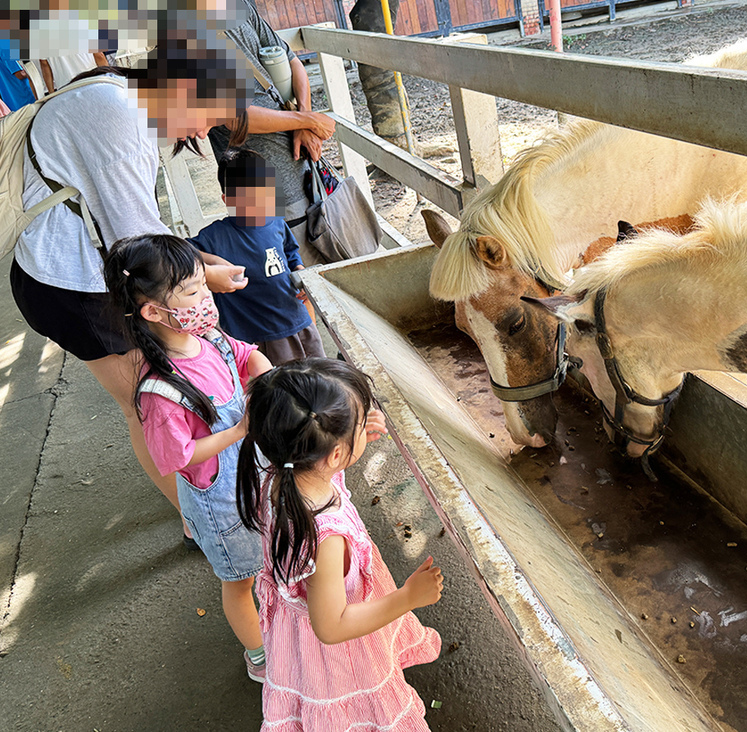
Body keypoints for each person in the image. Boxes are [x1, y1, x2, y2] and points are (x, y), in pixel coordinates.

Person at [10, 38, 251, 548]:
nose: (204, 133)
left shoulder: (122, 99)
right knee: (146, 401)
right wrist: (207, 275)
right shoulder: (122, 117)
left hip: (82, 270)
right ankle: (202, 524)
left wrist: (205, 264)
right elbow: (133, 237)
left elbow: (141, 231)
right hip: (72, 282)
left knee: (159, 393)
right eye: (208, 119)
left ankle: (201, 502)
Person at [237, 358, 443, 729]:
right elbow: (331, 626)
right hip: (339, 656)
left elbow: (323, 467)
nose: (366, 428)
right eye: (361, 425)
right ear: (333, 454)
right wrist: (408, 598)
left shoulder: (280, 475)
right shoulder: (326, 539)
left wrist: (353, 438)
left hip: (296, 639)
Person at [103, 234, 272, 682]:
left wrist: (267, 375)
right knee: (239, 582)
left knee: (267, 556)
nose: (207, 298)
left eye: (204, 286)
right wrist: (238, 430)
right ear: (152, 312)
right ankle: (259, 657)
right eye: (195, 291)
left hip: (249, 476)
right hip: (220, 504)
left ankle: (278, 617)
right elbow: (177, 455)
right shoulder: (160, 390)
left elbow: (243, 354)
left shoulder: (207, 337)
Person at [209, 0, 337, 267]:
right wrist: (307, 119)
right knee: (294, 283)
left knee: (321, 270)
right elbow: (234, 116)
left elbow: (292, 61)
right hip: (259, 192)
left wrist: (303, 121)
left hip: (300, 167)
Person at [189, 147, 326, 365]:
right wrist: (211, 265)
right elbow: (179, 253)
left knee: (317, 378)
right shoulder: (213, 237)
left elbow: (291, 253)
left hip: (296, 322)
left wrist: (301, 274)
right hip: (252, 336)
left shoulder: (277, 223)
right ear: (227, 199)